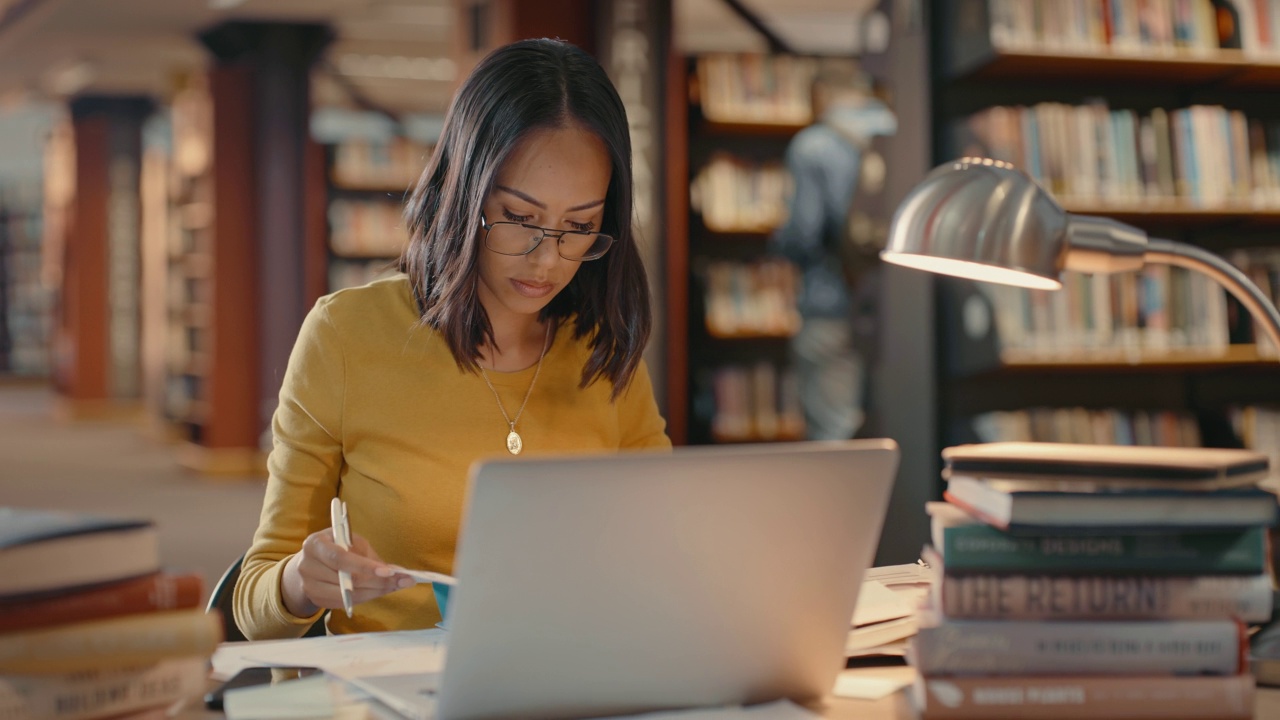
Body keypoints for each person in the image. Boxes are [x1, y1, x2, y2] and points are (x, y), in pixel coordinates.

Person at [233, 38, 671, 641]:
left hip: (563, 678)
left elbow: (669, 550)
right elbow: (253, 603)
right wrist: (298, 583)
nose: (547, 258)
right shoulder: (345, 336)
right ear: (464, 188)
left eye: (579, 227)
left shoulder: (603, 351)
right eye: (519, 217)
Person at [768, 62, 896, 441]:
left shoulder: (814, 145)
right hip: (899, 312)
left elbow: (803, 233)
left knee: (834, 435)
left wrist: (779, 242)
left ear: (820, 95)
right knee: (898, 427)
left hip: (833, 305)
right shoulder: (904, 132)